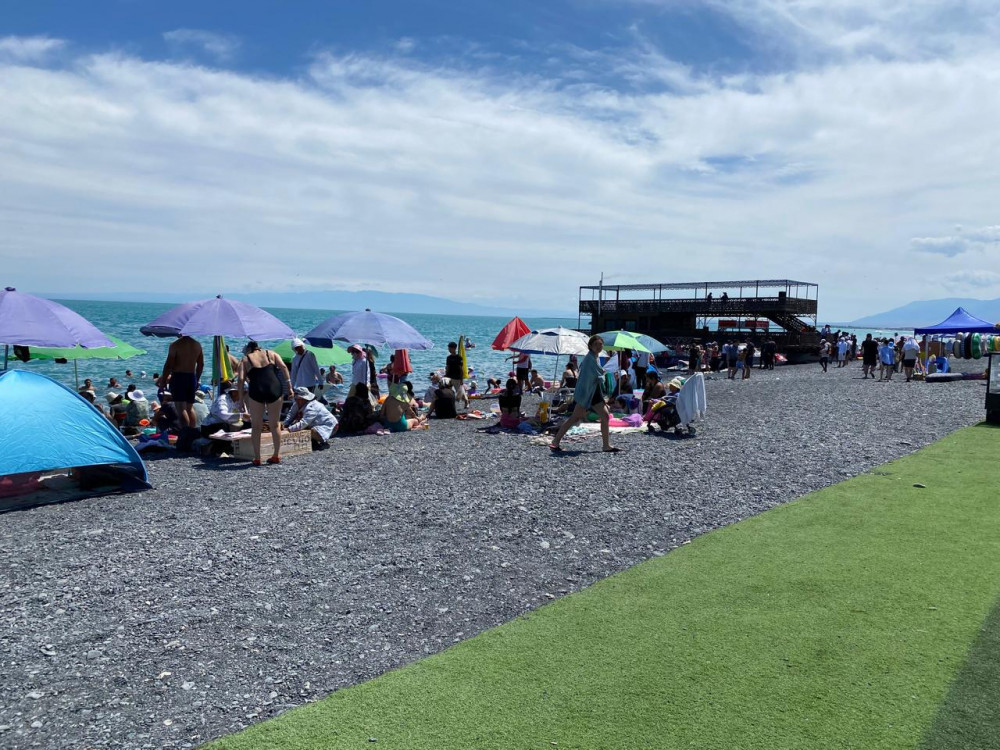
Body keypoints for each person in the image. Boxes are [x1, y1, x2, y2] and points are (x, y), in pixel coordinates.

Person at [548, 335, 619, 453]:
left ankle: (606, 445)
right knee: (576, 418)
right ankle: (555, 442)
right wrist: (603, 373)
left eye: (600, 344)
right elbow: (596, 376)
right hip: (587, 393)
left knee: (603, 416)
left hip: (593, 392)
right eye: (596, 344)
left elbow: (596, 374)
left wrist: (602, 373)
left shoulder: (595, 357)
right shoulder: (589, 359)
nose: (599, 347)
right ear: (590, 346)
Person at [238, 341, 293, 466]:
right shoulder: (271, 353)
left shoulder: (245, 359)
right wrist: (289, 387)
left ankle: (257, 458)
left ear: (249, 349)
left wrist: (241, 400)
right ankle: (276, 455)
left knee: (256, 426)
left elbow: (241, 379)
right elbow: (284, 367)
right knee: (275, 424)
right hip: (274, 388)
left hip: (256, 390)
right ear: (259, 347)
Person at [158, 335, 204, 432]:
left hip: (179, 377)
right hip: (192, 377)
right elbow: (201, 364)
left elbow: (168, 365)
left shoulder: (175, 345)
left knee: (181, 408)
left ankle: (185, 433)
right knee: (189, 408)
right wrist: (197, 379)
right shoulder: (197, 344)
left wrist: (163, 381)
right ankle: (193, 433)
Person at [445, 342, 469, 409]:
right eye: (448, 348)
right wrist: (446, 375)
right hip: (449, 377)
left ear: (454, 348)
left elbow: (461, 369)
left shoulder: (459, 357)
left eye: (450, 348)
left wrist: (461, 379)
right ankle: (450, 404)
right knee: (448, 392)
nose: (449, 349)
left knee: (460, 392)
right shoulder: (448, 357)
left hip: (457, 377)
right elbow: (447, 367)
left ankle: (466, 401)